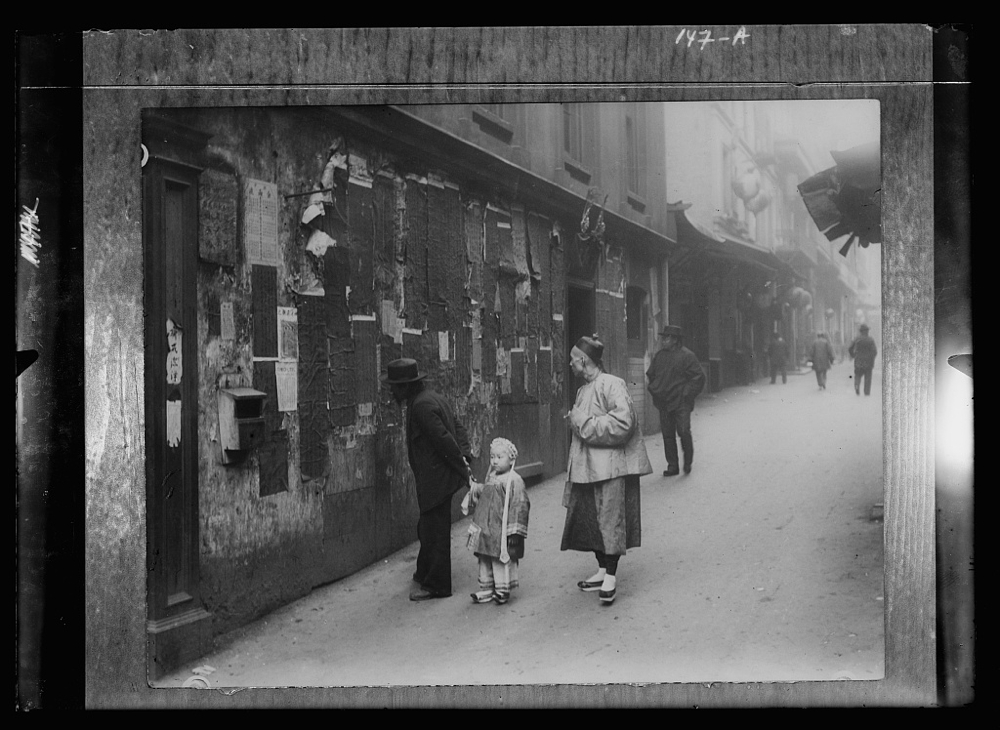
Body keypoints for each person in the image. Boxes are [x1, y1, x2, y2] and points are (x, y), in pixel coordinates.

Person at [562, 335, 652, 605]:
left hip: (610, 469)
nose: (569, 364)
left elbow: (624, 424)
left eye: (572, 360)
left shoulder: (612, 384)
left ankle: (611, 576)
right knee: (590, 518)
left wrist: (582, 422)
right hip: (585, 469)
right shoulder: (583, 390)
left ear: (583, 360)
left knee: (610, 520)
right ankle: (602, 569)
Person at [383, 357, 473, 601]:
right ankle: (424, 572)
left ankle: (438, 585)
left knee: (435, 531)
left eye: (394, 386)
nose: (392, 390)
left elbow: (443, 438)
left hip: (436, 478)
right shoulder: (432, 397)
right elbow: (457, 427)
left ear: (406, 386)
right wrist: (465, 455)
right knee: (428, 527)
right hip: (437, 476)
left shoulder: (421, 406)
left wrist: (463, 468)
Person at [464, 437, 530, 605]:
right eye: (492, 456)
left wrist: (515, 531)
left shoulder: (514, 480)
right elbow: (485, 493)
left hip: (501, 529)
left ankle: (502, 588)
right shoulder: (491, 476)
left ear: (511, 459)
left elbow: (519, 505)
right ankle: (486, 587)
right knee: (484, 557)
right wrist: (475, 488)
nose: (494, 461)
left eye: (499, 457)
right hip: (485, 527)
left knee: (500, 558)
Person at [646, 325, 706, 476]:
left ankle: (687, 462)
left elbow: (698, 377)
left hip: (681, 402)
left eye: (666, 338)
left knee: (684, 431)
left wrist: (686, 393)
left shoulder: (687, 356)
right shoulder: (660, 356)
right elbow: (651, 374)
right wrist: (656, 389)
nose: (663, 341)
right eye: (663, 338)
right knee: (667, 434)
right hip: (664, 402)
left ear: (674, 340)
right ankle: (672, 466)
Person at [849, 324, 878, 396]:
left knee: (858, 374)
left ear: (860, 331)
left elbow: (850, 348)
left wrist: (853, 355)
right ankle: (866, 392)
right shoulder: (871, 339)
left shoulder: (857, 339)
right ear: (867, 331)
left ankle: (857, 385)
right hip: (868, 362)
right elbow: (875, 351)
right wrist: (872, 358)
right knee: (868, 377)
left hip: (858, 360)